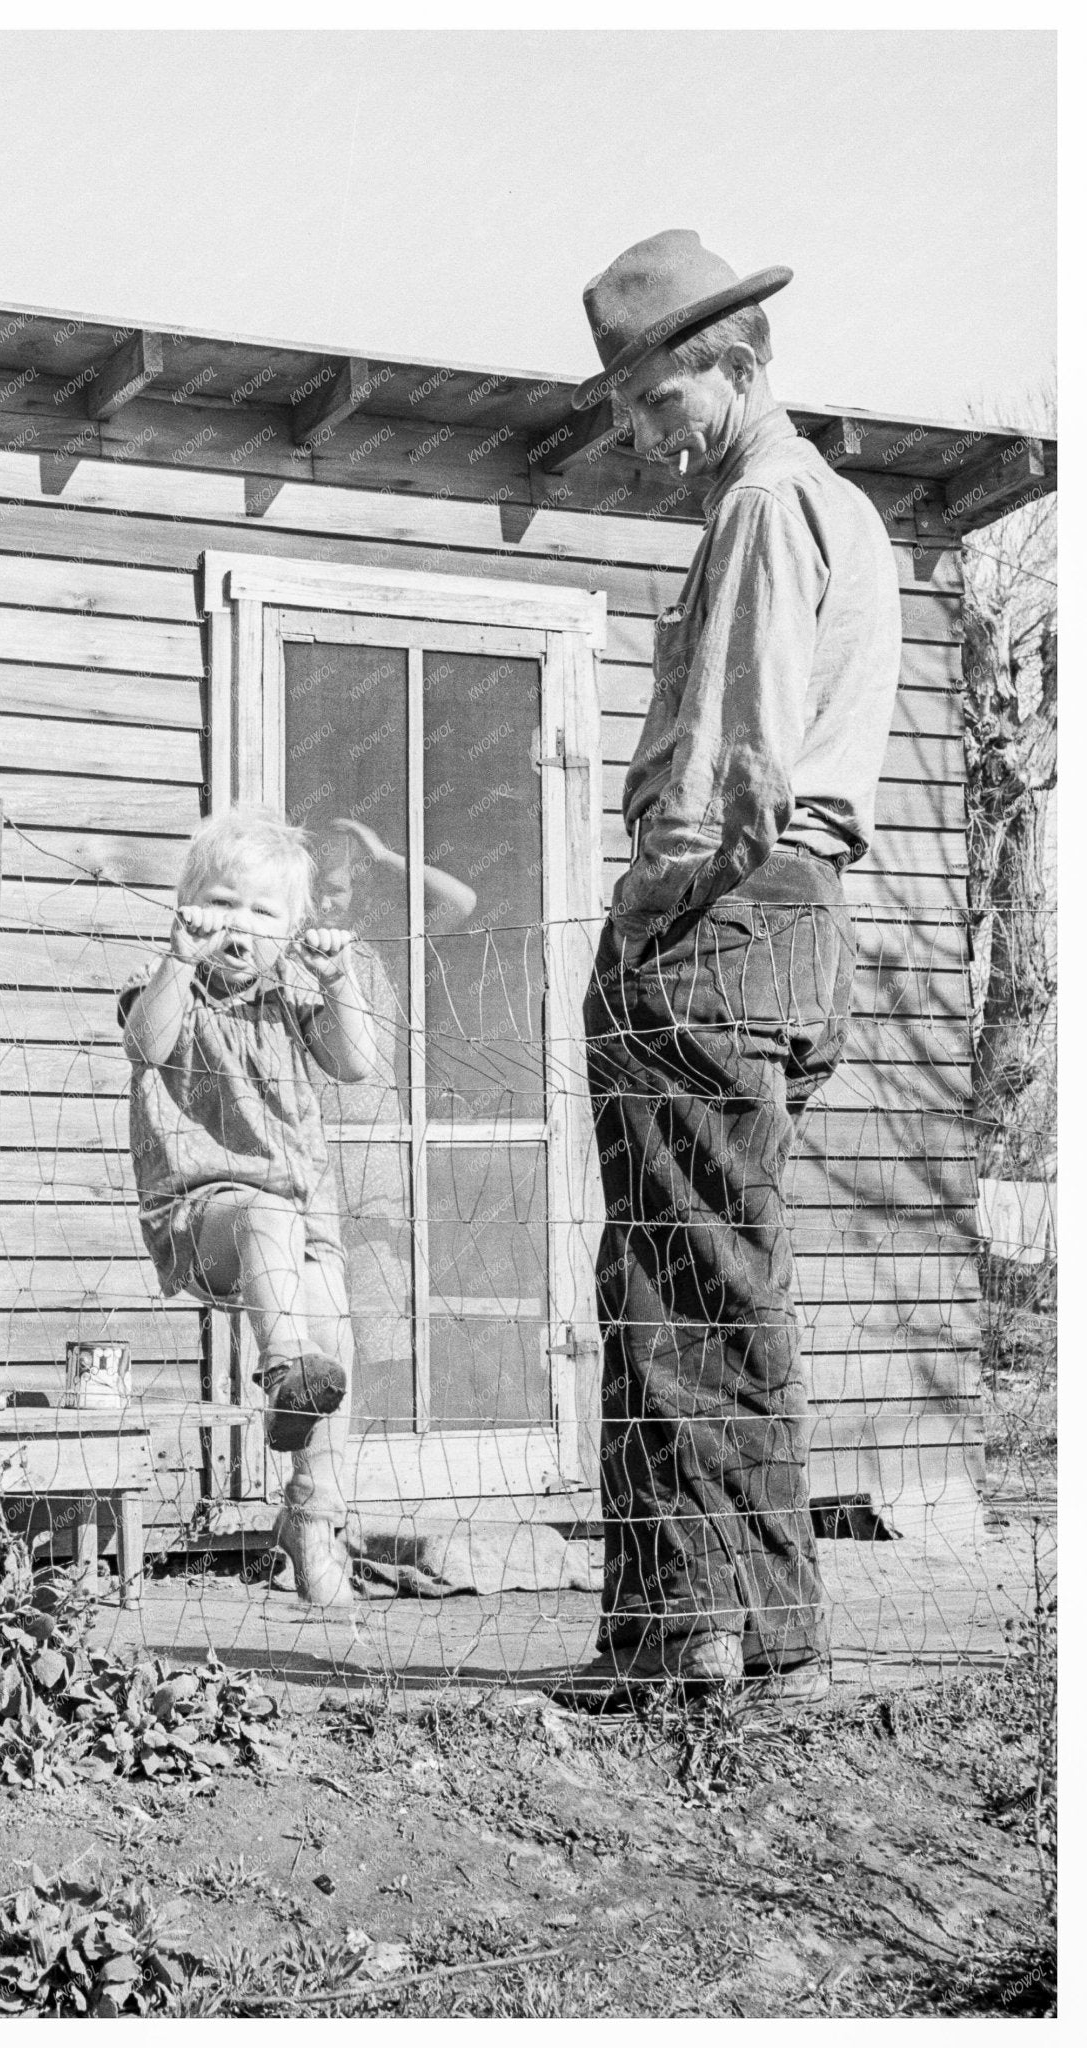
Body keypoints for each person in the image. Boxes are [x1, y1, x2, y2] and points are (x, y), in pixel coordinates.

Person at [556, 231, 901, 1710]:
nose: (638, 438)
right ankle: (743, 1622)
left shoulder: (762, 506)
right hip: (806, 925)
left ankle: (687, 1634)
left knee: (670, 1273)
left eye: (652, 401)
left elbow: (732, 757)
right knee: (721, 1263)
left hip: (725, 912)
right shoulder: (847, 508)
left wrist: (658, 902)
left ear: (740, 367)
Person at [119, 809, 378, 1606]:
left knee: (333, 1327)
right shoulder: (171, 988)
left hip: (304, 1217)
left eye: (263, 912)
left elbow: (358, 1064)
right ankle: (283, 1374)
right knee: (266, 1223)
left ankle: (312, 1513)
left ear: (294, 929)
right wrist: (175, 959)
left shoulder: (293, 997)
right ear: (191, 907)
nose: (239, 925)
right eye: (223, 903)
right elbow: (144, 1044)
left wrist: (340, 981)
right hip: (205, 1217)